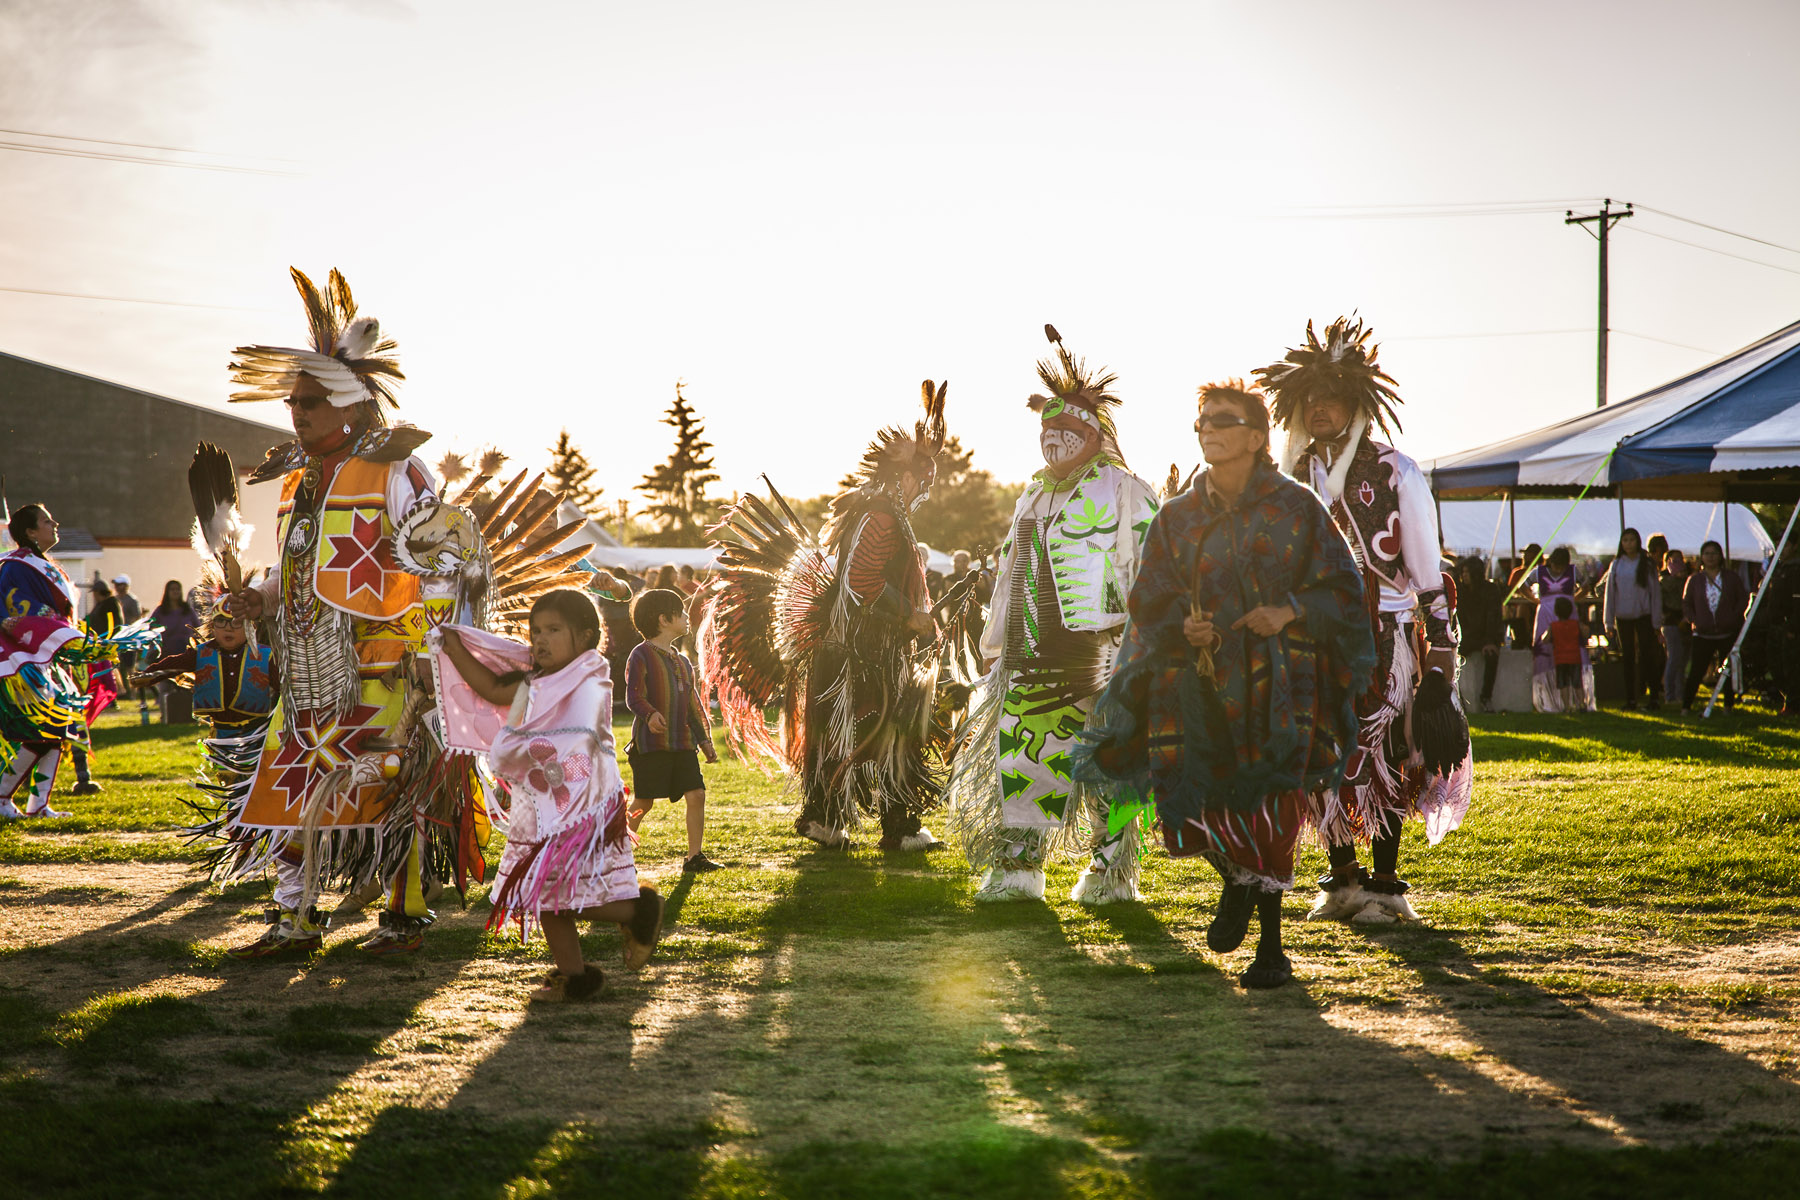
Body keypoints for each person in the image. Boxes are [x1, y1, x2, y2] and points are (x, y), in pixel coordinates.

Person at [1075, 383, 1373, 987]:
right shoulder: (1178, 517)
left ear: (1257, 438)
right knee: (1196, 800)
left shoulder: (1296, 509)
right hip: (1197, 687)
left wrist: (1286, 611)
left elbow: (1344, 587)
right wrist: (1181, 626)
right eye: (1201, 421)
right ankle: (1235, 877)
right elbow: (1147, 597)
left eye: (1222, 420)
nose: (1208, 428)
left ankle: (1272, 949)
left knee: (1268, 807)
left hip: (1279, 683)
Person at [217, 267, 463, 958]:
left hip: (382, 666)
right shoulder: (300, 478)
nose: (298, 412)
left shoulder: (395, 468)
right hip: (306, 669)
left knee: (390, 789)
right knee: (291, 786)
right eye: (294, 401)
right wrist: (260, 595)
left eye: (314, 401)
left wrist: (429, 651)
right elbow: (301, 561)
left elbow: (438, 557)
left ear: (351, 405)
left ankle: (405, 914)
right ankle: (294, 916)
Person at [1257, 316, 1472, 925]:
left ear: (1356, 404)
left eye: (1331, 398)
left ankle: (1385, 887)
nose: (1319, 409)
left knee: (1387, 755)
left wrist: (1439, 658)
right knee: (1319, 756)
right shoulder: (1287, 480)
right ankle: (1342, 879)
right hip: (1307, 637)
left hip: (1385, 634)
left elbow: (1429, 573)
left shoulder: (1396, 471)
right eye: (1309, 399)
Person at [944, 329, 1161, 904]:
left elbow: (1153, 570)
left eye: (1068, 431)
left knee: (1113, 763)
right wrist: (998, 644)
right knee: (1024, 756)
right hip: (1036, 651)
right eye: (1047, 431)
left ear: (1096, 436)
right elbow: (1011, 574)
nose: (1054, 440)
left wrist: (1147, 650)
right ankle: (1019, 870)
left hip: (1107, 648)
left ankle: (1112, 875)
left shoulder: (1126, 490)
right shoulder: (1032, 496)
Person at [704, 381, 951, 851]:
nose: (927, 491)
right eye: (925, 481)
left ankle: (826, 819)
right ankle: (895, 828)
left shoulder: (871, 508)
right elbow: (860, 581)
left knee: (845, 734)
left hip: (848, 650)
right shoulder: (882, 515)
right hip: (866, 650)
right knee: (892, 730)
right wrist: (910, 616)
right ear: (905, 476)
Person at [435, 589, 664, 1002]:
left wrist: (534, 750)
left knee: (549, 893)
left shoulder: (590, 677)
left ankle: (635, 910)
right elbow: (488, 686)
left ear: (586, 635)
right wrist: (454, 648)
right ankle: (575, 977)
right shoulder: (533, 682)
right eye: (535, 630)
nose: (540, 639)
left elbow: (579, 735)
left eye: (553, 630)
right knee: (541, 893)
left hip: (581, 806)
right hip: (538, 809)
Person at [1, 505, 151, 818]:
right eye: (46, 521)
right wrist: (67, 638)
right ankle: (2, 797)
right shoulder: (16, 567)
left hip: (45, 659)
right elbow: (20, 614)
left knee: (59, 728)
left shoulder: (36, 564)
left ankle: (38, 804)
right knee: (39, 731)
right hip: (22, 661)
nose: (54, 523)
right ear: (30, 532)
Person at [624, 588, 721, 873]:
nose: (687, 618)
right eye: (681, 613)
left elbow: (693, 705)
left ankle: (694, 857)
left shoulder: (683, 661)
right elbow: (633, 696)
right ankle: (617, 854)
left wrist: (704, 740)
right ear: (664, 619)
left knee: (697, 794)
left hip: (683, 745)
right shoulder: (640, 654)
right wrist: (650, 714)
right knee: (644, 802)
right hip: (651, 746)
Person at [1682, 539, 1748, 713]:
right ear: (1701, 557)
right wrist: (1694, 619)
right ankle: (1686, 706)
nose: (1710, 557)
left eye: (1714, 553)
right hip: (1702, 632)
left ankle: (1728, 705)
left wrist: (1734, 617)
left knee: (1727, 670)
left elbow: (1742, 598)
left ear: (1720, 556)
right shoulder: (1695, 580)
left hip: (1727, 631)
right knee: (1696, 670)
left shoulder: (1731, 578)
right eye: (1707, 553)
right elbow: (1687, 603)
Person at [1529, 547, 1593, 712]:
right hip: (1545, 612)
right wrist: (1536, 600)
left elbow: (1586, 586)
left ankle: (1576, 700)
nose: (1558, 569)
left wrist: (1573, 599)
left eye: (1561, 566)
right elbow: (1523, 585)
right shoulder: (1539, 571)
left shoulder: (1572, 571)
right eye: (1556, 566)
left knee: (1572, 649)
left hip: (1567, 610)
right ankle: (1548, 698)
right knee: (1545, 651)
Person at [1601, 528, 1658, 711]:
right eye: (1625, 540)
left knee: (1647, 656)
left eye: (1631, 540)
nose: (1628, 544)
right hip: (1623, 616)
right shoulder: (1616, 564)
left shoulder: (1647, 564)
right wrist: (1608, 622)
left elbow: (1655, 593)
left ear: (1638, 541)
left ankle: (1653, 698)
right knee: (1628, 658)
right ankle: (1630, 700)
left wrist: (1657, 622)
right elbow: (1610, 594)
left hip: (1644, 615)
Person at [1455, 557, 1504, 712]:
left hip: (1486, 637)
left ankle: (1485, 698)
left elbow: (1493, 617)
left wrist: (1490, 640)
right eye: (1463, 572)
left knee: (1491, 657)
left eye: (1467, 572)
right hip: (1467, 636)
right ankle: (1458, 699)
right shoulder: (1461, 591)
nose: (1464, 576)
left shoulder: (1490, 590)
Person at [149, 580, 201, 723]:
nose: (175, 592)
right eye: (172, 589)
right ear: (167, 592)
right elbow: (151, 629)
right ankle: (166, 715)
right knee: (166, 685)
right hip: (166, 653)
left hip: (185, 654)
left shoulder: (187, 610)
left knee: (187, 685)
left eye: (178, 589)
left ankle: (189, 715)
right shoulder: (160, 611)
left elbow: (197, 628)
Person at [1659, 547, 1691, 707]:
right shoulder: (1663, 580)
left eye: (1681, 560)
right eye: (1674, 560)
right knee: (1674, 658)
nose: (1678, 563)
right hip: (1670, 622)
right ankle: (1669, 694)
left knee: (1683, 660)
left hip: (1686, 623)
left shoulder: (1688, 579)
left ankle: (1680, 694)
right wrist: (1675, 576)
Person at [111, 574, 147, 714]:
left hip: (129, 638)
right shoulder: (114, 599)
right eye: (116, 584)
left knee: (131, 667)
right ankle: (122, 691)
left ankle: (133, 693)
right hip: (116, 637)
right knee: (118, 667)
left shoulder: (132, 600)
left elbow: (137, 618)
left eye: (120, 584)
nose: (117, 587)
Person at [1548, 596, 1586, 712]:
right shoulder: (1575, 624)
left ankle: (1566, 706)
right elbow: (1586, 631)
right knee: (1577, 683)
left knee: (1563, 684)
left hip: (1560, 659)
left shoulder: (1553, 626)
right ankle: (1581, 704)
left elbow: (1545, 638)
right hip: (1575, 658)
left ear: (1555, 611)